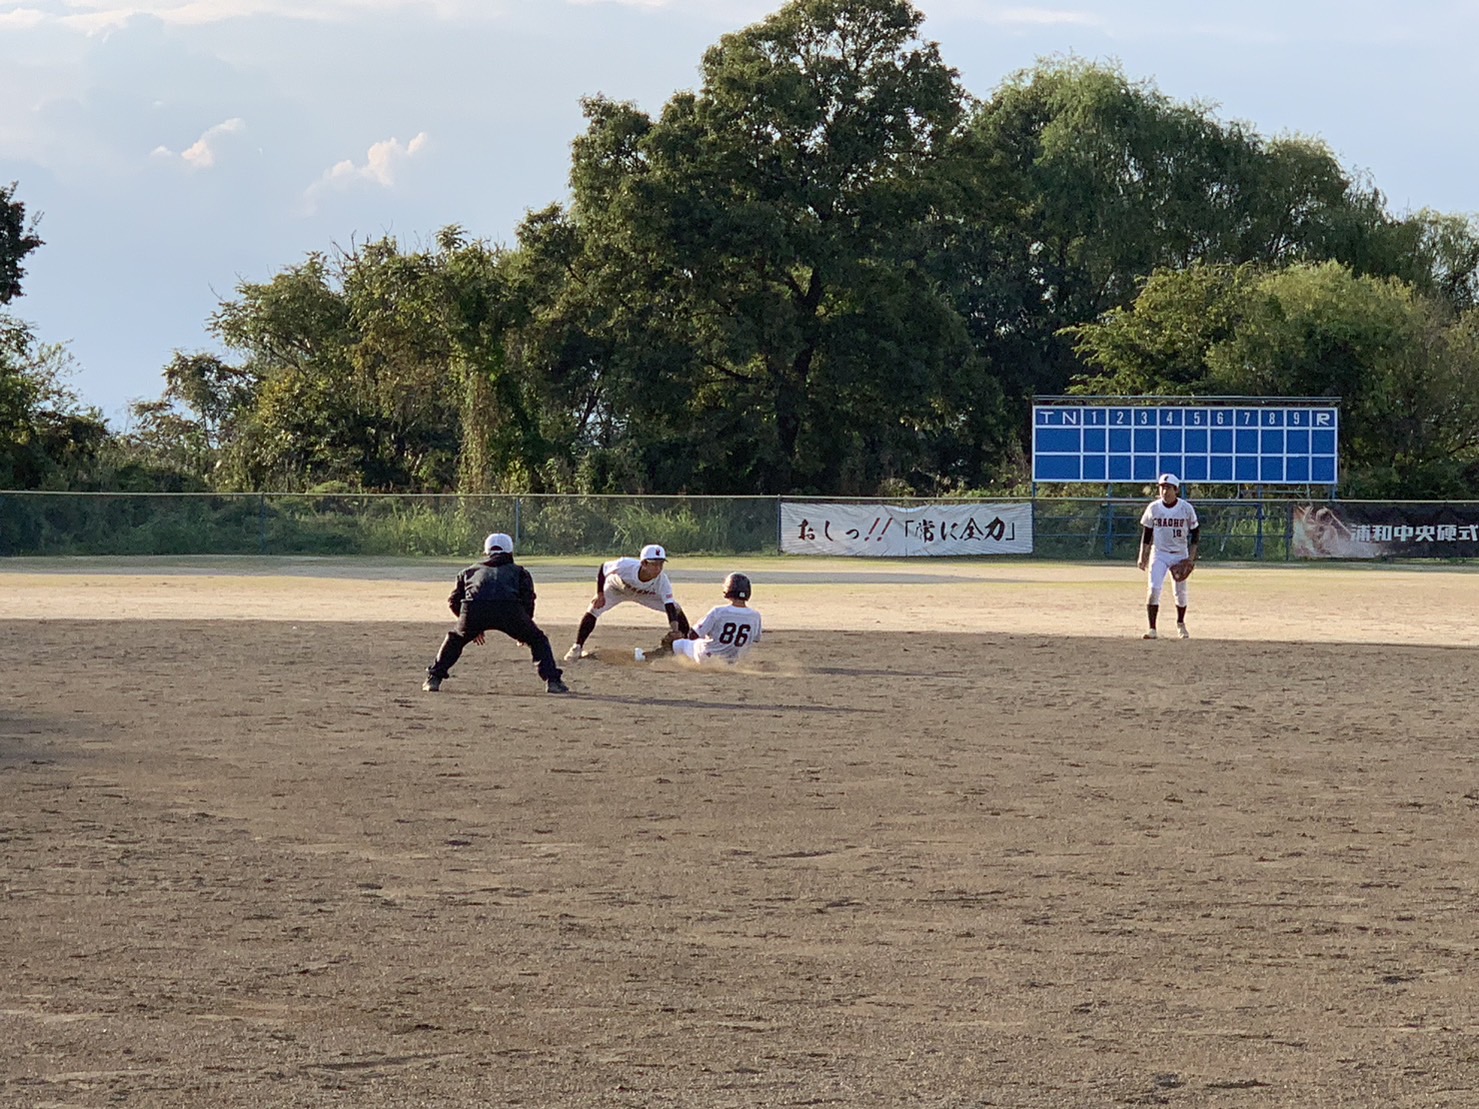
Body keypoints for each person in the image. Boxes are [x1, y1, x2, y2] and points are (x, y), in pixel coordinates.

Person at [424, 532, 569, 694]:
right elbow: (528, 600)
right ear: (510, 552)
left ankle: (433, 678)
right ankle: (553, 682)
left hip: (474, 609)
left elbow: (453, 601)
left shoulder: (468, 572)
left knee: (455, 639)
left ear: (486, 552)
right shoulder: (520, 572)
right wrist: (524, 628)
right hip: (510, 609)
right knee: (538, 640)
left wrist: (467, 623)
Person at [563, 543, 690, 661]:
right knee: (593, 609)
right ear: (644, 563)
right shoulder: (625, 565)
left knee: (676, 608)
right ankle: (577, 647)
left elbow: (669, 606)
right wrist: (600, 594)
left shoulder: (662, 580)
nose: (658, 568)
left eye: (661, 564)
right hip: (616, 588)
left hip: (645, 595)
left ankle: (686, 646)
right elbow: (603, 568)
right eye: (654, 564)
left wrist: (675, 631)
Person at [1137, 473, 1199, 640]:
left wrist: (1191, 558)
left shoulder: (1186, 508)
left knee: (1180, 593)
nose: (1165, 491)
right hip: (1159, 553)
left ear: (1176, 490)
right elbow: (1147, 534)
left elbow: (1195, 533)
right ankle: (1152, 628)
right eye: (1162, 487)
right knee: (1153, 589)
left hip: (1180, 554)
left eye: (1168, 488)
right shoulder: (1154, 508)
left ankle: (1180, 623)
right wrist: (1142, 556)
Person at [668, 572, 763, 666]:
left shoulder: (718, 611)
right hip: (734, 661)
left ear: (728, 589)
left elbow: (693, 635)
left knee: (679, 644)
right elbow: (756, 638)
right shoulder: (755, 616)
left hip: (708, 657)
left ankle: (665, 661)